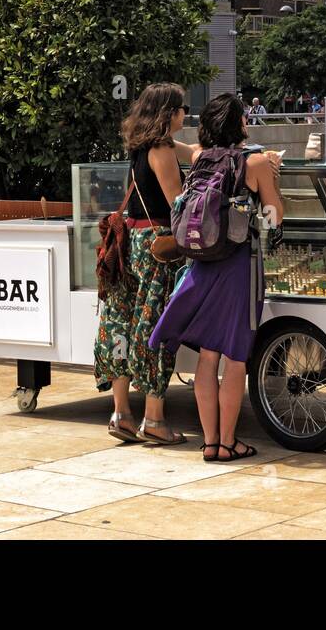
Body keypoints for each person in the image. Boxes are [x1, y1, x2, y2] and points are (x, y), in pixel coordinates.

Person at [150, 94, 284, 461]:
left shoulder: (199, 158)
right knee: (235, 358)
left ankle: (209, 442)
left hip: (201, 265)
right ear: (240, 123)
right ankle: (228, 443)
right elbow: (274, 216)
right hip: (239, 267)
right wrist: (272, 178)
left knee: (208, 358)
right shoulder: (253, 163)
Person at [95, 82, 193, 445]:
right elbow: (178, 205)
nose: (186, 114)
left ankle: (121, 413)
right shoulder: (163, 151)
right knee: (155, 327)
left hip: (127, 243)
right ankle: (153, 419)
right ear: (169, 114)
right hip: (156, 246)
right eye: (182, 108)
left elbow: (196, 151)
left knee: (120, 321)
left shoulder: (139, 146)